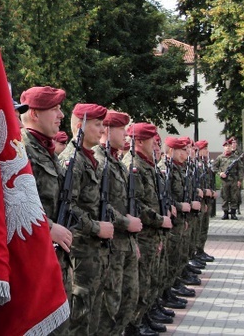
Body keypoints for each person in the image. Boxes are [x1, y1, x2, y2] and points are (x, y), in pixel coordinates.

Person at [19, 85, 72, 335]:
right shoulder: (20, 149)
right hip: (33, 263)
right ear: (35, 113)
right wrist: (49, 228)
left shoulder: (46, 149)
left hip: (55, 260)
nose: (61, 115)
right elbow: (11, 200)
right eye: (55, 109)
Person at [59, 103, 114, 336]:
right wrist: (96, 227)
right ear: (80, 126)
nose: (102, 130)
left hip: (93, 251)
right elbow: (68, 207)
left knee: (93, 314)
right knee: (79, 318)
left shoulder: (89, 159)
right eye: (97, 124)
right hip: (79, 252)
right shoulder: (72, 160)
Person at [94, 110, 143, 335]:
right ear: (107, 129)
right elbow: (97, 205)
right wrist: (125, 223)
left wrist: (134, 242)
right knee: (107, 308)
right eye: (122, 129)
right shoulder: (98, 160)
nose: (126, 134)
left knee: (127, 300)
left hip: (125, 244)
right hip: (109, 246)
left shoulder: (116, 162)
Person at [123, 123, 173, 336]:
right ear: (140, 141)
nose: (156, 144)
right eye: (152, 139)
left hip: (152, 233)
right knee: (141, 282)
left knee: (151, 277)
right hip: (143, 233)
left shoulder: (148, 165)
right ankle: (135, 323)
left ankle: (145, 314)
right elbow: (136, 204)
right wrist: (159, 219)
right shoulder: (133, 165)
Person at [214, 137, 244, 219]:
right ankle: (225, 213)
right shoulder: (220, 157)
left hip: (234, 180)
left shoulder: (236, 158)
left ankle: (233, 213)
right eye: (226, 146)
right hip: (224, 181)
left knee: (234, 197)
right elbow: (214, 167)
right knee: (225, 197)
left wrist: (240, 180)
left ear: (232, 147)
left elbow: (240, 169)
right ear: (224, 147)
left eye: (229, 146)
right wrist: (220, 173)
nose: (228, 148)